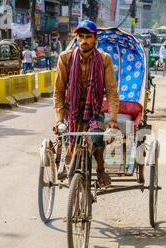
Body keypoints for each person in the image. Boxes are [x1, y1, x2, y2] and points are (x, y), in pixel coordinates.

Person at [53, 20, 120, 187]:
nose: (84, 40)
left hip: (93, 112)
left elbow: (111, 91)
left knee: (97, 136)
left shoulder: (104, 59)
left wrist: (112, 120)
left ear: (94, 38)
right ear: (76, 38)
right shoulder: (65, 58)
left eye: (88, 37)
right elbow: (59, 91)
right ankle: (63, 166)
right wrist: (59, 120)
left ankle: (101, 171)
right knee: (62, 138)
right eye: (80, 37)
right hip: (71, 112)